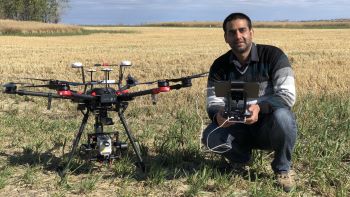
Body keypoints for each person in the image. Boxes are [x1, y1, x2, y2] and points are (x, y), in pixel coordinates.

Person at [202, 12, 297, 192]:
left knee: (284, 117)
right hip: (236, 126)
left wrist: (259, 108)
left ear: (251, 32)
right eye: (232, 32)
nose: (238, 36)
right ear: (225, 37)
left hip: (268, 125)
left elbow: (287, 95)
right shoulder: (220, 66)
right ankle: (241, 159)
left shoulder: (273, 56)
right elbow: (213, 101)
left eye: (242, 30)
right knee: (210, 136)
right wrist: (218, 115)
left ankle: (283, 168)